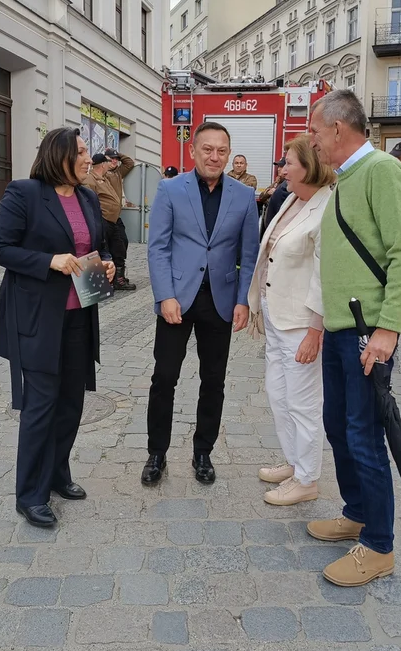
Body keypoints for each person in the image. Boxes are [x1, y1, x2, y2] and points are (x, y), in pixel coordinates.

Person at [308, 90, 401, 587]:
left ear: (337, 128)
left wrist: (386, 329)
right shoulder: (346, 178)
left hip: (365, 333)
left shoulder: (380, 170)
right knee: (339, 427)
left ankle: (379, 545)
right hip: (340, 330)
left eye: (315, 131)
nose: (311, 140)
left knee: (365, 436)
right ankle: (356, 511)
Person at [0, 127, 116, 529]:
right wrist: (50, 262)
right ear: (57, 153)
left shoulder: (88, 197)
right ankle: (30, 494)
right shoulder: (25, 193)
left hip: (81, 312)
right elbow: (1, 249)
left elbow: (96, 245)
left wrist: (108, 262)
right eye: (79, 152)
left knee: (71, 404)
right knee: (41, 407)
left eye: (86, 153)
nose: (86, 159)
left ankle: (58, 474)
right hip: (38, 318)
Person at [142, 122, 259, 487]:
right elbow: (158, 246)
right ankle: (156, 452)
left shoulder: (243, 196)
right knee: (164, 378)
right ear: (193, 151)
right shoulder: (170, 189)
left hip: (220, 302)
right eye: (207, 149)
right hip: (178, 299)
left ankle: (203, 451)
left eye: (221, 150)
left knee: (214, 380)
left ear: (229, 154)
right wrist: (165, 296)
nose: (214, 156)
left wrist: (243, 301)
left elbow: (248, 253)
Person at [249, 135, 333, 506]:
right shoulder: (293, 199)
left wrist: (316, 330)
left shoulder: (326, 205)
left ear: (309, 167)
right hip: (276, 315)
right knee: (278, 394)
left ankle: (307, 478)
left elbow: (323, 274)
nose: (282, 169)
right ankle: (294, 461)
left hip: (301, 322)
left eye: (288, 163)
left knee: (302, 402)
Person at [83, 153, 135, 291]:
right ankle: (99, 283)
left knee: (119, 247)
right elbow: (88, 203)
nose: (110, 164)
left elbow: (129, 163)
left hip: (114, 220)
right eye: (107, 162)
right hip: (102, 221)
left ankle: (118, 279)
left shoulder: (107, 178)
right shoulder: (90, 180)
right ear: (102, 165)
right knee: (100, 251)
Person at [102, 149, 136, 290]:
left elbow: (129, 163)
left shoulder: (118, 172)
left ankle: (117, 277)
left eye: (116, 159)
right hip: (104, 217)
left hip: (116, 217)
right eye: (111, 159)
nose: (114, 161)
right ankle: (111, 279)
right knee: (107, 248)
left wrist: (118, 154)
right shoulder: (101, 174)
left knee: (122, 243)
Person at [260, 159, 290, 235]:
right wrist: (268, 193)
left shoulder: (287, 184)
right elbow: (261, 196)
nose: (279, 169)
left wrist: (275, 192)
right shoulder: (277, 182)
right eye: (278, 167)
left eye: (281, 166)